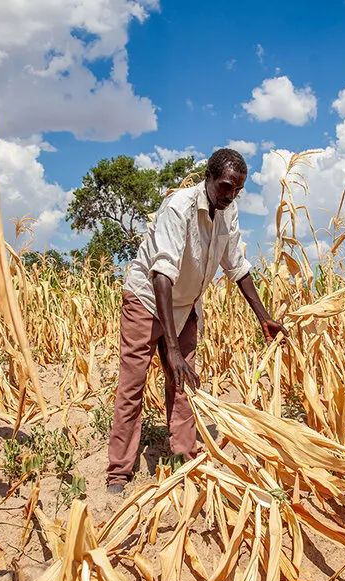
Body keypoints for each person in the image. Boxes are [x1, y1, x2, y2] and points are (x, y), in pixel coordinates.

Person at [106, 148, 287, 493]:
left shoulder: (227, 212)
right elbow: (162, 275)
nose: (230, 195)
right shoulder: (179, 208)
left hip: (186, 304)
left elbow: (238, 266)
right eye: (225, 187)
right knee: (132, 386)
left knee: (185, 382)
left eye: (237, 190)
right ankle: (118, 472)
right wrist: (170, 349)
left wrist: (264, 318)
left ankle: (185, 455)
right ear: (208, 178)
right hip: (147, 300)